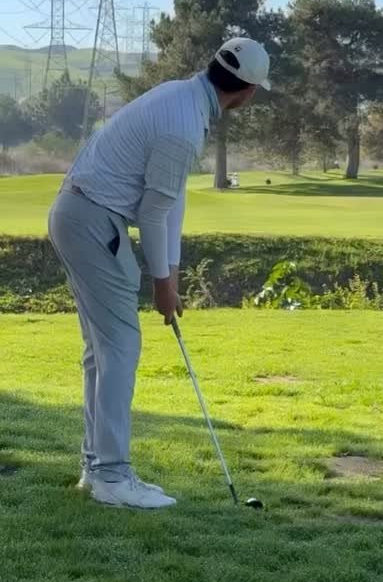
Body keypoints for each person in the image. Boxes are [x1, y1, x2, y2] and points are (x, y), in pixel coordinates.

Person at [48, 38, 270, 509]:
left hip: (80, 214)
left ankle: (96, 468)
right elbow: (152, 214)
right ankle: (112, 476)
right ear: (248, 91)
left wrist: (173, 272)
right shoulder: (183, 126)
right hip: (92, 219)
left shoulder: (182, 99)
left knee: (103, 352)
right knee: (120, 348)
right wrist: (162, 285)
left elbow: (170, 203)